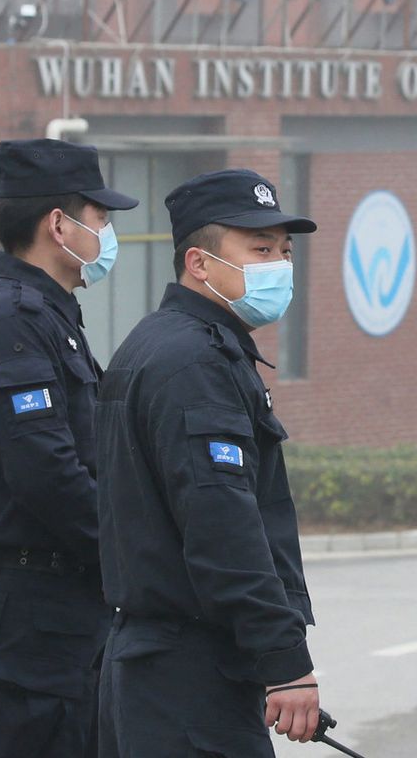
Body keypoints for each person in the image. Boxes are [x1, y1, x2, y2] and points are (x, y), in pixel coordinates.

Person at [97, 168, 321, 758]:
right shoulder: (194, 363)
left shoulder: (161, 343)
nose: (280, 264)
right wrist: (285, 662)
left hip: (158, 670)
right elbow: (222, 526)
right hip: (187, 676)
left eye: (284, 250)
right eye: (260, 248)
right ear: (199, 263)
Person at [0, 138, 137, 758]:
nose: (108, 233)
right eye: (101, 218)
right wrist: (136, 553)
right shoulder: (13, 323)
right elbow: (48, 474)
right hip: (34, 617)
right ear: (59, 225)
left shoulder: (51, 318)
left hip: (67, 608)